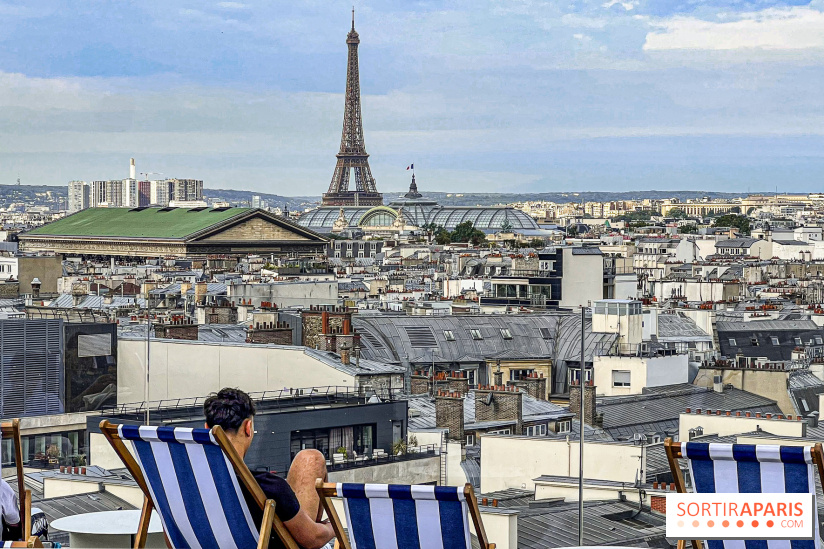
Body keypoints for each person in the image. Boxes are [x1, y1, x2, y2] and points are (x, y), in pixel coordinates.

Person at [204, 388, 335, 549]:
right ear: (248, 427)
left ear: (206, 428)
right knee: (313, 460)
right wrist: (332, 526)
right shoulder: (268, 486)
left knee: (309, 458)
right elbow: (312, 539)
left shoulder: (188, 482)